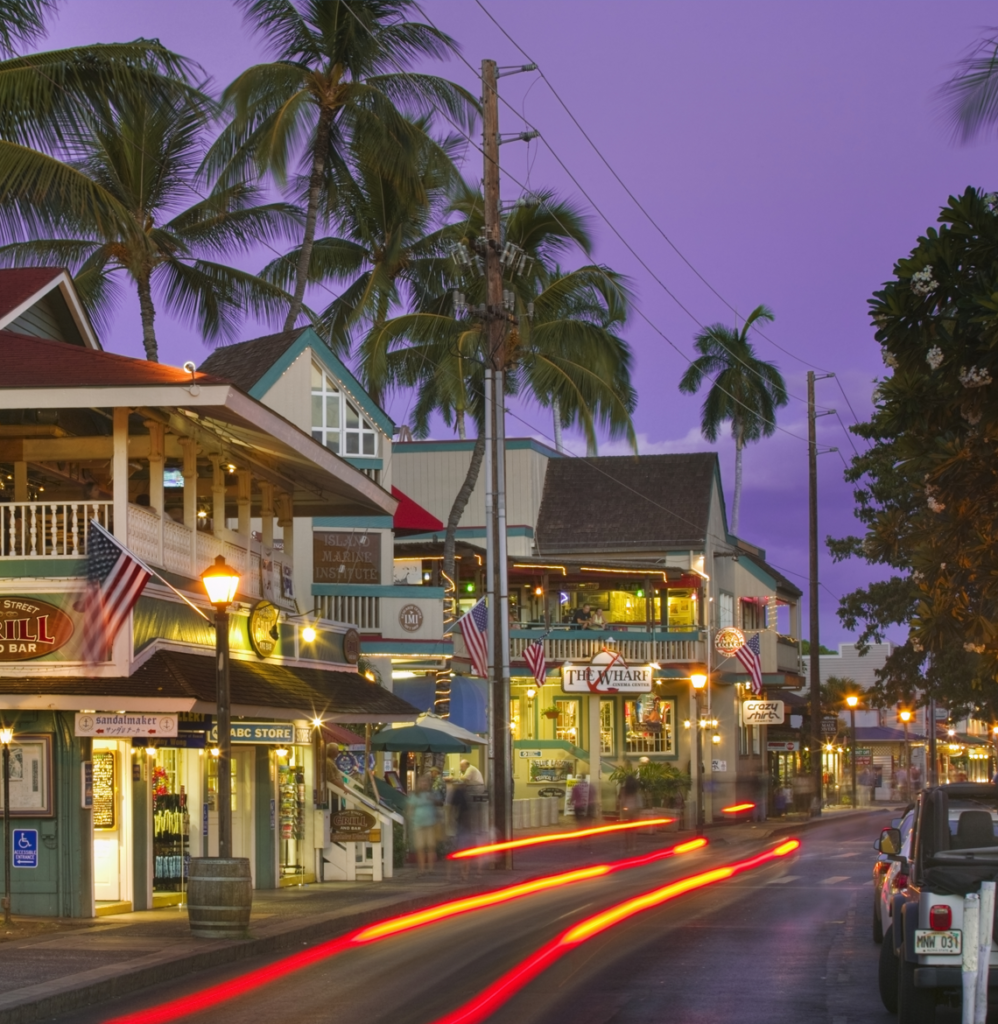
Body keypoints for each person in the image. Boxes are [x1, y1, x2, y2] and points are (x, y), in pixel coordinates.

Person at [406, 774, 439, 875]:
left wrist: (433, 799)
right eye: (421, 782)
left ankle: (431, 869)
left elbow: (440, 802)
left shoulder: (432, 794)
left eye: (425, 782)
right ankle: (421, 869)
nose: (423, 784)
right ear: (418, 784)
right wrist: (411, 820)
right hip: (418, 824)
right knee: (420, 847)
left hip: (431, 824)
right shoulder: (414, 795)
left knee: (431, 847)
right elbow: (410, 808)